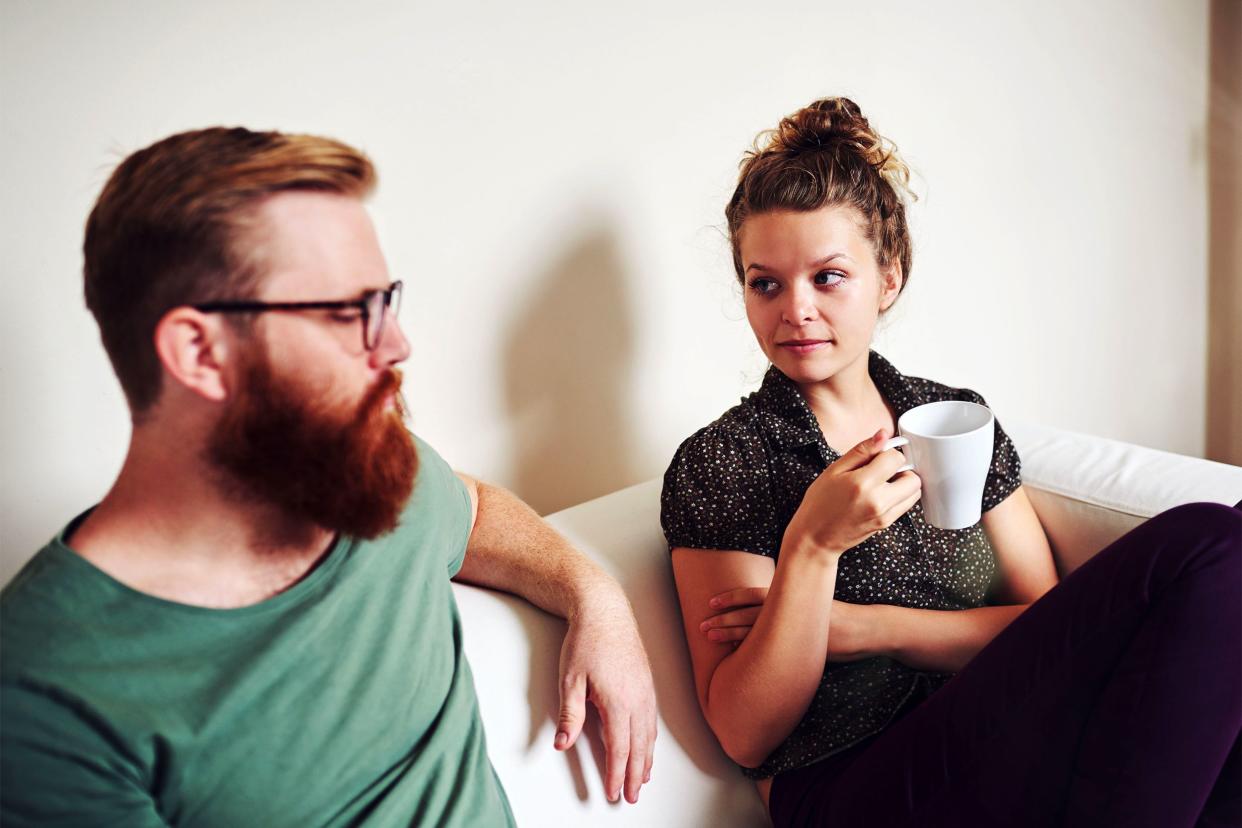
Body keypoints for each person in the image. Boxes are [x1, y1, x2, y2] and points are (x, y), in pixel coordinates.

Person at [0, 127, 657, 826]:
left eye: (386, 301)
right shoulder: (47, 692)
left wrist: (597, 598)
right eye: (350, 312)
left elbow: (477, 510)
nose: (397, 345)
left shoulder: (375, 475)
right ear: (199, 351)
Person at [660, 97, 1240, 827]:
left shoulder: (956, 419)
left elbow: (1046, 625)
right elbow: (747, 733)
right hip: (853, 783)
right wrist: (813, 546)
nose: (794, 309)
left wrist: (868, 627)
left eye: (828, 276)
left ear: (888, 279)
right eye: (765, 282)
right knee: (1214, 544)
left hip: (1010, 734)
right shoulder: (726, 460)